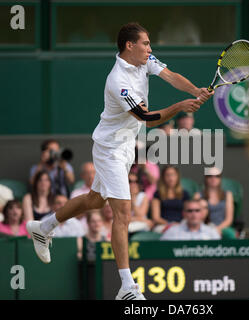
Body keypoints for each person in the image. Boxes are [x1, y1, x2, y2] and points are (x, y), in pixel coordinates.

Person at [26, 22, 212, 300]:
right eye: (146, 43)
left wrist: (194, 90)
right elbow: (147, 118)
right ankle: (127, 286)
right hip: (110, 149)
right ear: (129, 46)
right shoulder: (118, 82)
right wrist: (180, 106)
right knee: (122, 214)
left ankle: (43, 226)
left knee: (94, 201)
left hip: (125, 147)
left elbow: (171, 75)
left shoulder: (145, 60)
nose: (150, 48)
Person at [194, 167, 235, 239]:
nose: (213, 178)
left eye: (217, 176)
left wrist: (217, 229)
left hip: (222, 227)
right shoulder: (198, 195)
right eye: (210, 176)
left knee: (230, 234)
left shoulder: (228, 195)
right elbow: (195, 216)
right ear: (206, 178)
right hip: (203, 228)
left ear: (220, 178)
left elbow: (229, 219)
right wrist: (208, 230)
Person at [151, 165, 191, 233]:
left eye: (173, 175)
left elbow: (189, 213)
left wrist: (180, 225)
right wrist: (170, 224)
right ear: (163, 177)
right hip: (163, 225)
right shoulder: (157, 194)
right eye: (167, 175)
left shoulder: (184, 194)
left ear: (177, 176)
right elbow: (156, 217)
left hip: (181, 225)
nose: (170, 178)